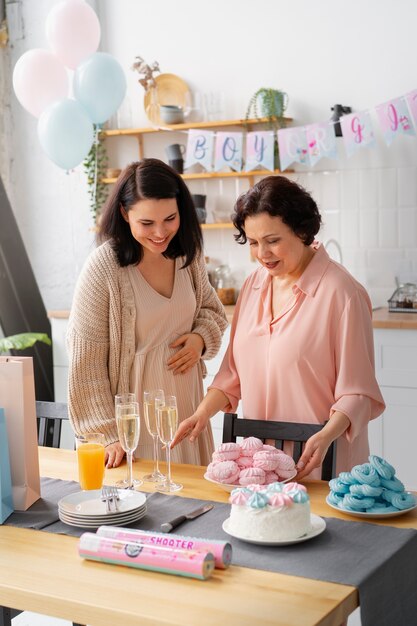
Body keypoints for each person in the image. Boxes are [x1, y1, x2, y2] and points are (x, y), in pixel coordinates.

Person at [172, 175, 385, 479]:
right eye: (254, 242)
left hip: (322, 464)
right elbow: (233, 373)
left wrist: (325, 436)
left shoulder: (343, 294)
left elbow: (357, 393)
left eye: (273, 241)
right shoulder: (253, 285)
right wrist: (201, 414)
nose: (262, 254)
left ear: (301, 231)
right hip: (263, 469)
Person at [67, 158, 228, 468]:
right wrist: (107, 434)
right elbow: (85, 363)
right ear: (125, 214)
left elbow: (212, 311)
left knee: (197, 506)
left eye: (170, 218)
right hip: (136, 421)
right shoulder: (104, 269)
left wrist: (199, 339)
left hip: (186, 407)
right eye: (147, 223)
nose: (160, 232)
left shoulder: (187, 255)